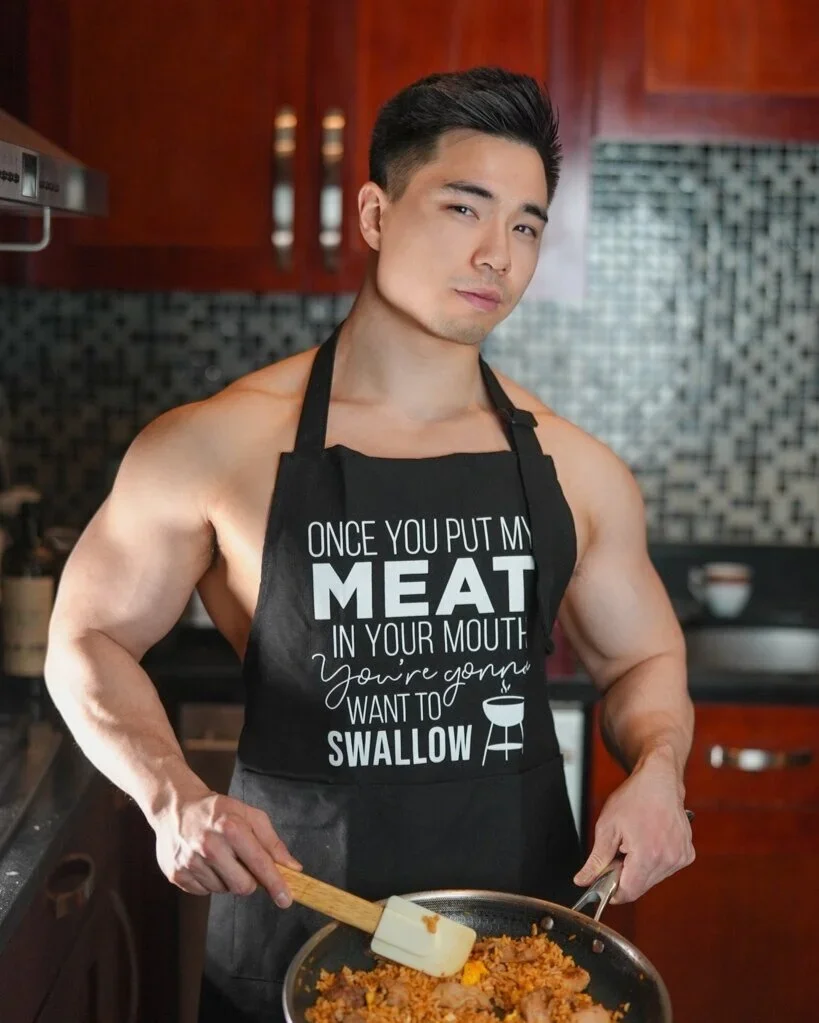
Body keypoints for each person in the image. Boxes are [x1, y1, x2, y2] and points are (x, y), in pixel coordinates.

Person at [45, 67, 695, 1022]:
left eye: (525, 225)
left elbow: (644, 655)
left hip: (518, 962)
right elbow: (86, 639)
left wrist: (660, 769)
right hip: (292, 941)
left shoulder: (577, 469)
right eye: (462, 207)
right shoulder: (216, 445)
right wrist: (168, 791)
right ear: (375, 213)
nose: (495, 254)